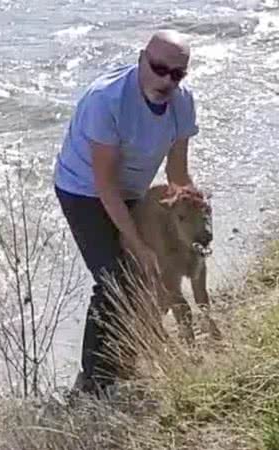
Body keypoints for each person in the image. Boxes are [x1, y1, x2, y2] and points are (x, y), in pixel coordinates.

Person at [52, 29, 200, 398]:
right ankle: (92, 385)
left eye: (176, 74)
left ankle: (128, 357)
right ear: (141, 59)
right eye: (159, 68)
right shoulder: (107, 100)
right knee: (116, 277)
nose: (166, 80)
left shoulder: (182, 103)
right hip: (83, 189)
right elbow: (105, 186)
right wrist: (136, 243)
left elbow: (177, 174)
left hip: (133, 189)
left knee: (158, 270)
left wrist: (192, 204)